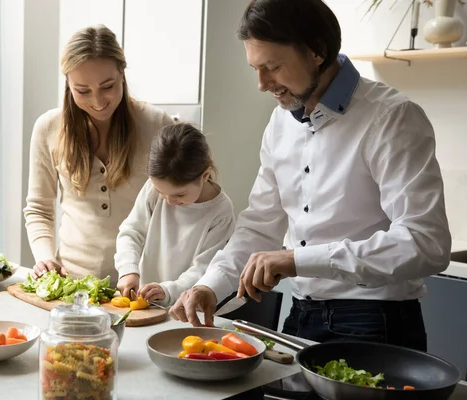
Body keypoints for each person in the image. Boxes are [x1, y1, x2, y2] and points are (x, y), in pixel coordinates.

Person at [169, 0, 450, 352]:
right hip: (300, 316)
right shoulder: (279, 123)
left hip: (376, 323)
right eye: (255, 68)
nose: (261, 84)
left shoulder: (392, 118)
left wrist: (296, 260)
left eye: (272, 66)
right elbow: (259, 226)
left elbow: (426, 243)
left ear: (317, 51)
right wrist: (210, 286)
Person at [24, 25, 173, 285]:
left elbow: (181, 208)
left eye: (108, 86)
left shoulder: (157, 124)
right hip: (73, 285)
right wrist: (45, 258)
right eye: (82, 90)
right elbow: (39, 209)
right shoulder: (48, 128)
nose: (98, 100)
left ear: (122, 74)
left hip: (143, 287)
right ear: (68, 84)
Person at [115, 123, 235, 306]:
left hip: (186, 309)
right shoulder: (152, 190)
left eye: (180, 194)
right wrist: (128, 270)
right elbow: (131, 232)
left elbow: (204, 269)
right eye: (161, 191)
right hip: (146, 304)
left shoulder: (220, 211)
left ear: (204, 176)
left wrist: (168, 290)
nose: (169, 201)